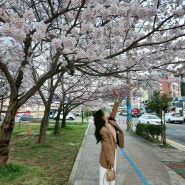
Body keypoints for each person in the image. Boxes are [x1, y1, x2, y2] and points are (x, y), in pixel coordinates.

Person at [94, 90, 124, 185]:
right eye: (105, 112)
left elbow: (114, 111)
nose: (107, 112)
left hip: (113, 153)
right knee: (105, 179)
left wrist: (117, 99)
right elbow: (106, 148)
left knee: (111, 177)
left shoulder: (110, 121)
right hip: (107, 157)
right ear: (102, 117)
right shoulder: (103, 130)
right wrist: (111, 161)